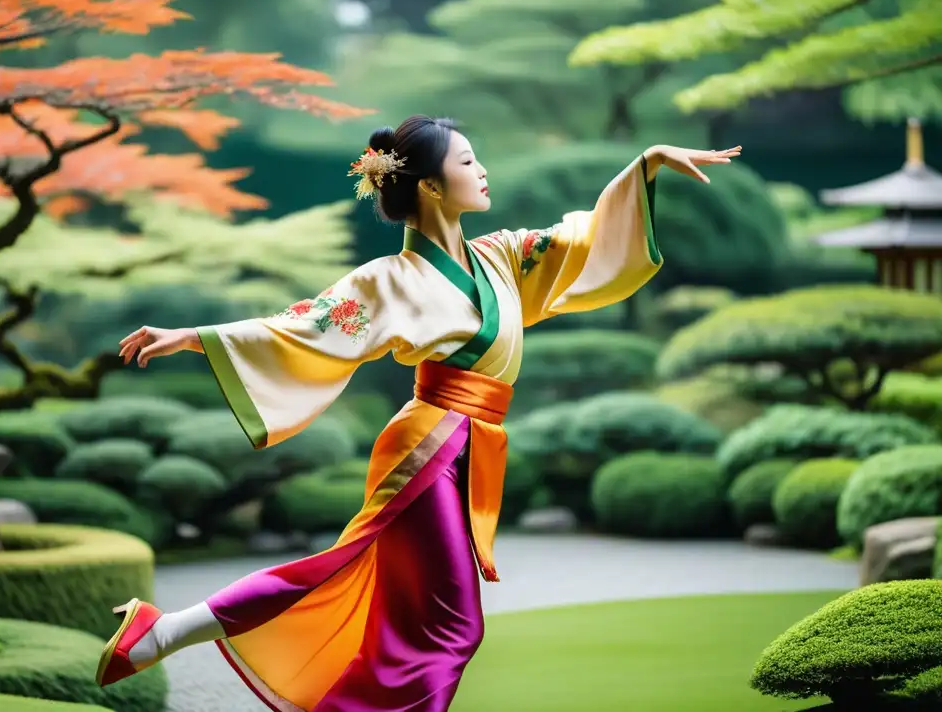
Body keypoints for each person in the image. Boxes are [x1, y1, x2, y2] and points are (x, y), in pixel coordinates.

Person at [96, 114, 741, 711]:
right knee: (453, 625)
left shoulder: (502, 256)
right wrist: (198, 335)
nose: (482, 169)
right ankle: (163, 634)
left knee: (400, 615)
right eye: (468, 161)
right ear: (432, 187)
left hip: (469, 443)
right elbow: (303, 327)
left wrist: (645, 167)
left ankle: (164, 632)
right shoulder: (389, 279)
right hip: (429, 444)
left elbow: (583, 240)